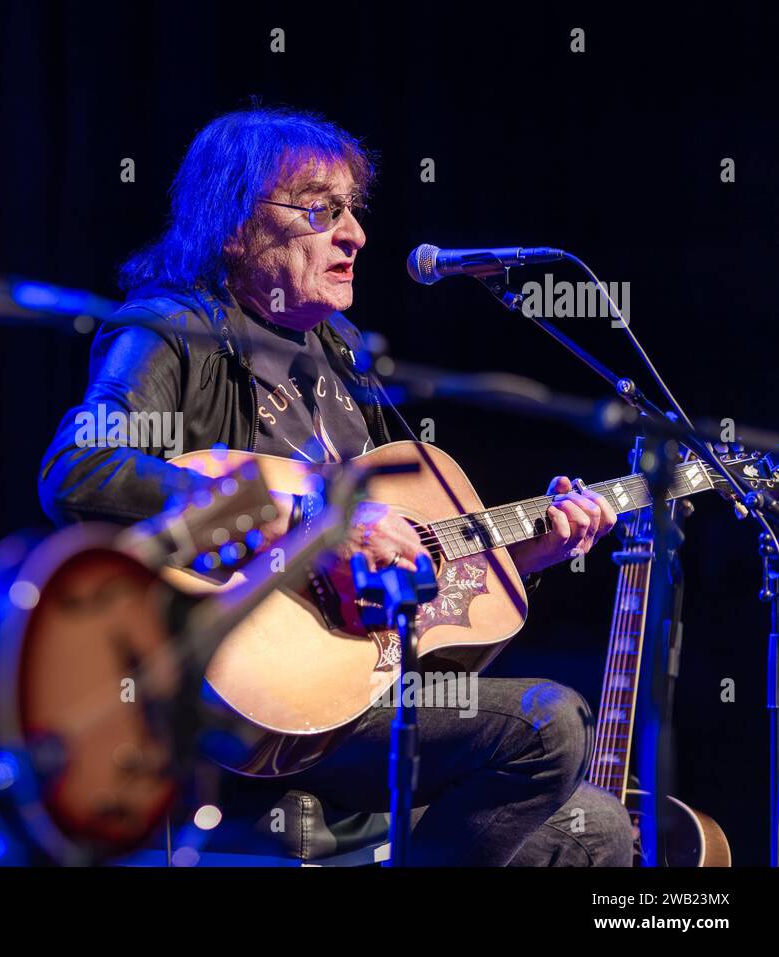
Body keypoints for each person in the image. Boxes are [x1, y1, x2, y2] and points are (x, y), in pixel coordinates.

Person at [38, 106, 630, 865]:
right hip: (242, 709)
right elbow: (79, 468)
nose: (354, 234)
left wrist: (528, 556)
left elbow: (408, 557)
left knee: (600, 829)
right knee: (552, 723)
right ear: (235, 225)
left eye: (353, 209)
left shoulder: (340, 357)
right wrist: (305, 518)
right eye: (321, 209)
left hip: (355, 698)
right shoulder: (169, 330)